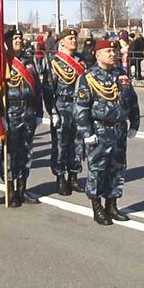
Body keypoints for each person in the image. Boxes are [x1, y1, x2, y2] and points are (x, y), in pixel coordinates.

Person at [75, 40, 140, 226]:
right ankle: (97, 207)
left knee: (118, 168)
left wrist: (135, 122)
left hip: (119, 129)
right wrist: (87, 132)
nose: (113, 54)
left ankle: (112, 204)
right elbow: (80, 108)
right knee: (98, 169)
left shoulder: (121, 75)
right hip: (99, 129)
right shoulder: (87, 78)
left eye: (114, 50)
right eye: (108, 51)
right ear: (97, 55)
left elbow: (132, 100)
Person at [43, 28, 86, 196]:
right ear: (62, 42)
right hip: (62, 106)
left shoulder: (81, 60)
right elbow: (48, 89)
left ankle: (74, 177)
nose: (74, 40)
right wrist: (52, 111)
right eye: (70, 38)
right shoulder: (54, 61)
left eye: (75, 38)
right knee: (61, 144)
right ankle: (60, 178)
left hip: (78, 106)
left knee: (77, 143)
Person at [2, 28, 43, 207]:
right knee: (11, 153)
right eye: (14, 38)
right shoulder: (2, 62)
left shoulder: (28, 61)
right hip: (11, 112)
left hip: (28, 112)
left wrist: (40, 113)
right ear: (7, 41)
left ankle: (22, 188)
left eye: (20, 37)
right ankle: (10, 191)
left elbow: (38, 89)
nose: (18, 40)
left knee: (26, 152)